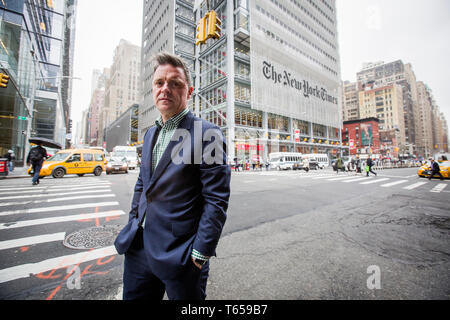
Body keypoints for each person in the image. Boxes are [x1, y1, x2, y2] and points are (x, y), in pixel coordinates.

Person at [114, 52, 231, 300]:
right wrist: (134, 219)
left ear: (188, 92)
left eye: (175, 83)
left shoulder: (207, 134)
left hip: (181, 254)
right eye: (159, 83)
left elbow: (216, 200)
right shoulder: (149, 135)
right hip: (139, 248)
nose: (165, 89)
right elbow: (142, 184)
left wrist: (199, 254)